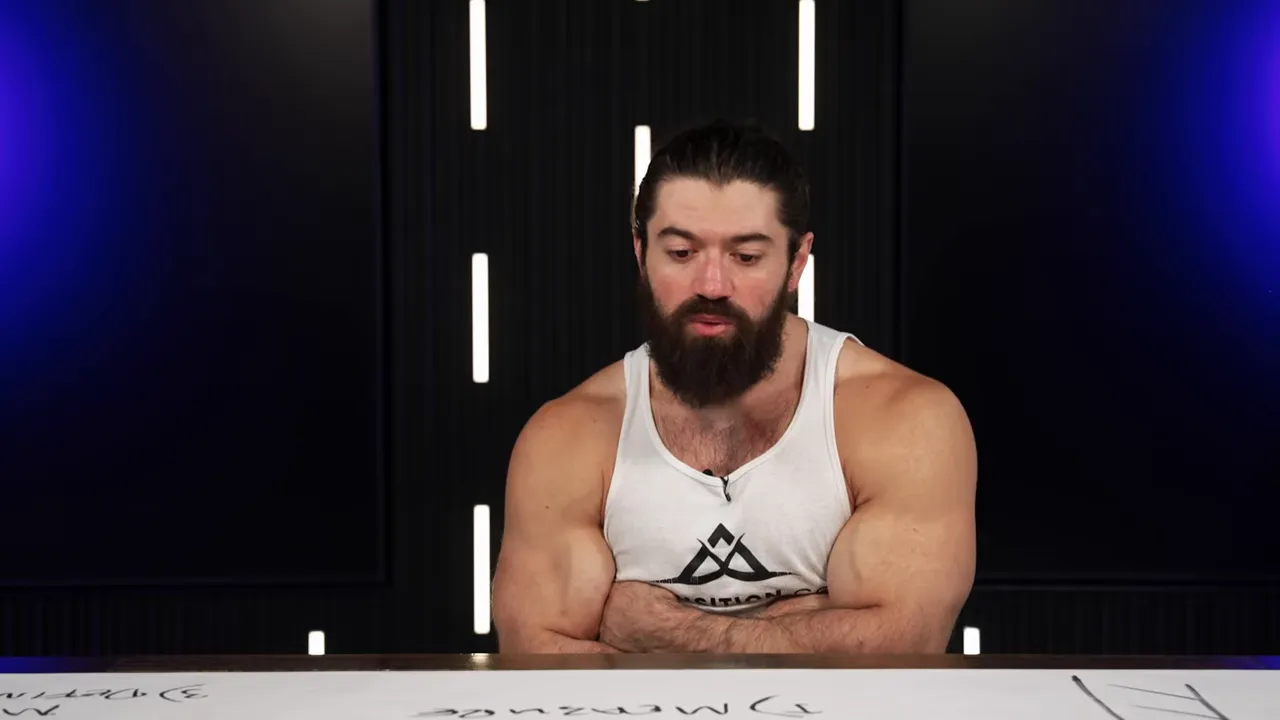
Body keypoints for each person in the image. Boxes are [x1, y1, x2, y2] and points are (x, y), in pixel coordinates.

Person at [491, 120, 977, 653]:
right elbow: (538, 658)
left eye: (746, 257)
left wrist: (668, 630)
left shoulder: (904, 418)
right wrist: (815, 627)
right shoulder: (569, 435)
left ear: (796, 262)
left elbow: (903, 647)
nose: (712, 286)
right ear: (639, 252)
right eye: (681, 253)